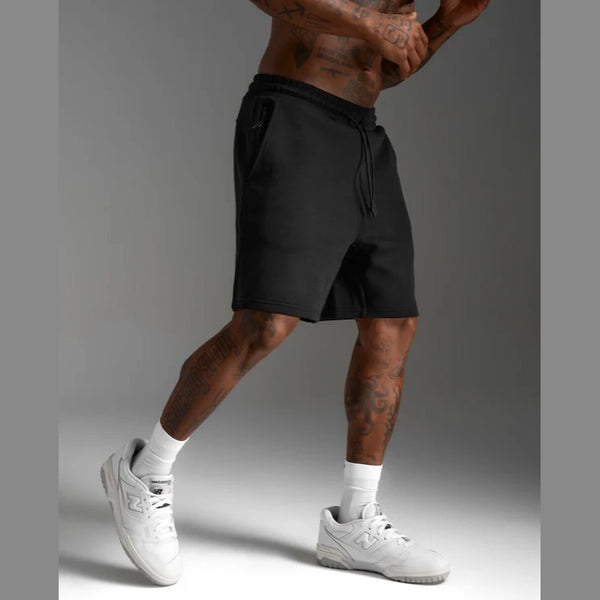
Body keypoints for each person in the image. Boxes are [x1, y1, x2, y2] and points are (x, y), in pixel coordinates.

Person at [100, 0, 489, 586]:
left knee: (391, 323)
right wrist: (369, 21)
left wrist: (445, 24)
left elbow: (384, 69)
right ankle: (144, 472)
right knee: (265, 323)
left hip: (362, 135)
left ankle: (354, 521)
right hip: (293, 112)